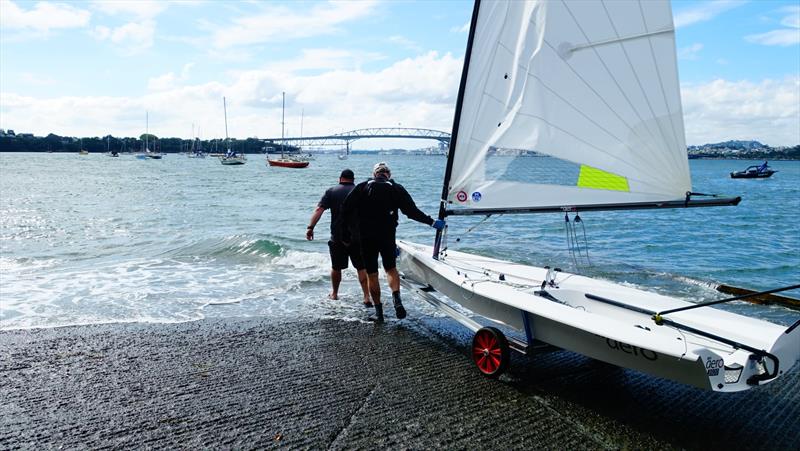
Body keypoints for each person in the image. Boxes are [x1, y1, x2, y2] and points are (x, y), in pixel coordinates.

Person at [342, 162, 445, 323]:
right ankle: (397, 298)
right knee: (390, 268)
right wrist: (432, 222)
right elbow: (411, 212)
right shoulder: (396, 188)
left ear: (374, 174)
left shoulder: (362, 187)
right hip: (387, 235)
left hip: (366, 237)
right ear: (388, 175)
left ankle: (379, 313)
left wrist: (347, 234)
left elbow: (345, 209)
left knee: (372, 274)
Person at [306, 169, 370, 306]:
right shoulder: (361, 192)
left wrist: (310, 227)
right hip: (358, 237)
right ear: (353, 179)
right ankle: (366, 297)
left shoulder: (331, 191)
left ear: (340, 178)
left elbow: (319, 210)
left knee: (336, 267)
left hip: (337, 236)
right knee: (361, 267)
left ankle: (334, 294)